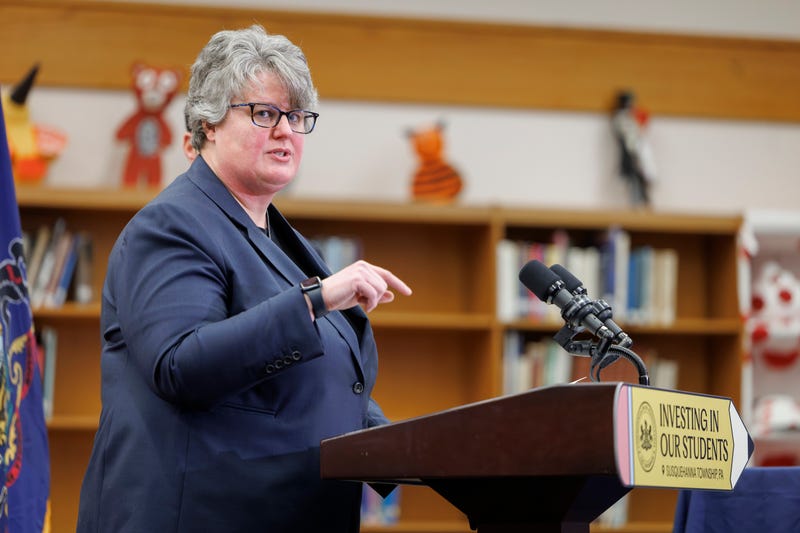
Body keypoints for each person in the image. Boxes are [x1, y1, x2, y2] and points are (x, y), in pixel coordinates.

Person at [77, 24, 411, 533]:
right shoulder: (171, 225)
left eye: (296, 116)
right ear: (208, 123)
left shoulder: (288, 242)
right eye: (265, 113)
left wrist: (414, 450)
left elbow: (317, 389)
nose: (286, 131)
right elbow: (182, 364)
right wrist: (315, 298)